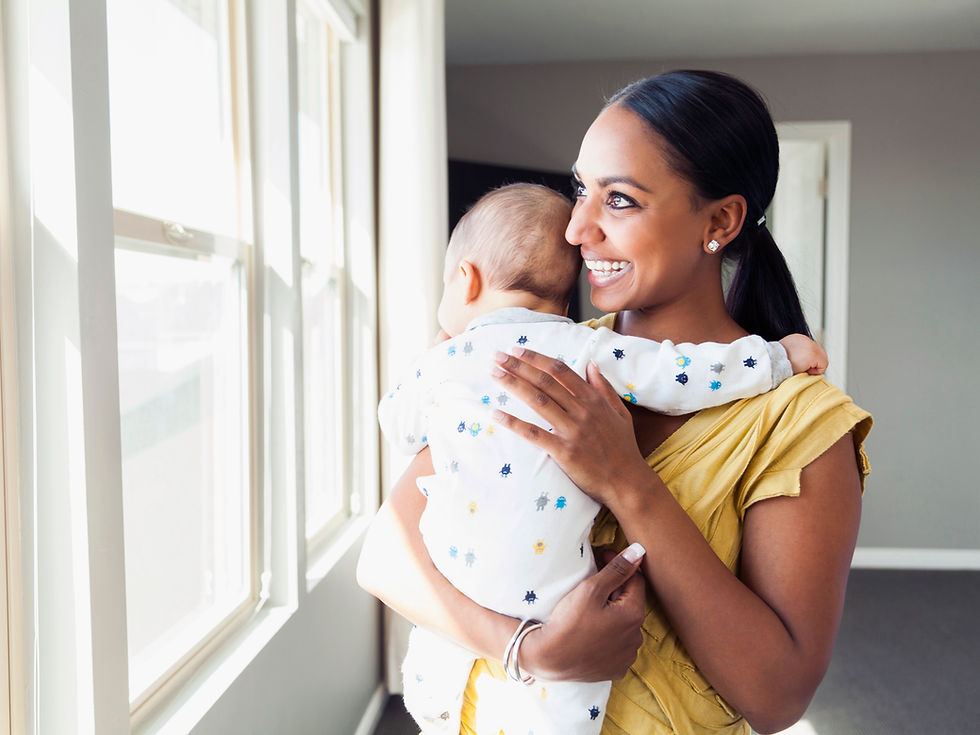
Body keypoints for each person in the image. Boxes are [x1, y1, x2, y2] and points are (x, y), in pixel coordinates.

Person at [358, 69, 872, 735]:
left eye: (620, 200)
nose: (576, 229)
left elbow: (777, 699)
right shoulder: (535, 356)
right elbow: (387, 557)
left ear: (720, 221)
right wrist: (530, 651)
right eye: (581, 190)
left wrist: (627, 481)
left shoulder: (799, 423)